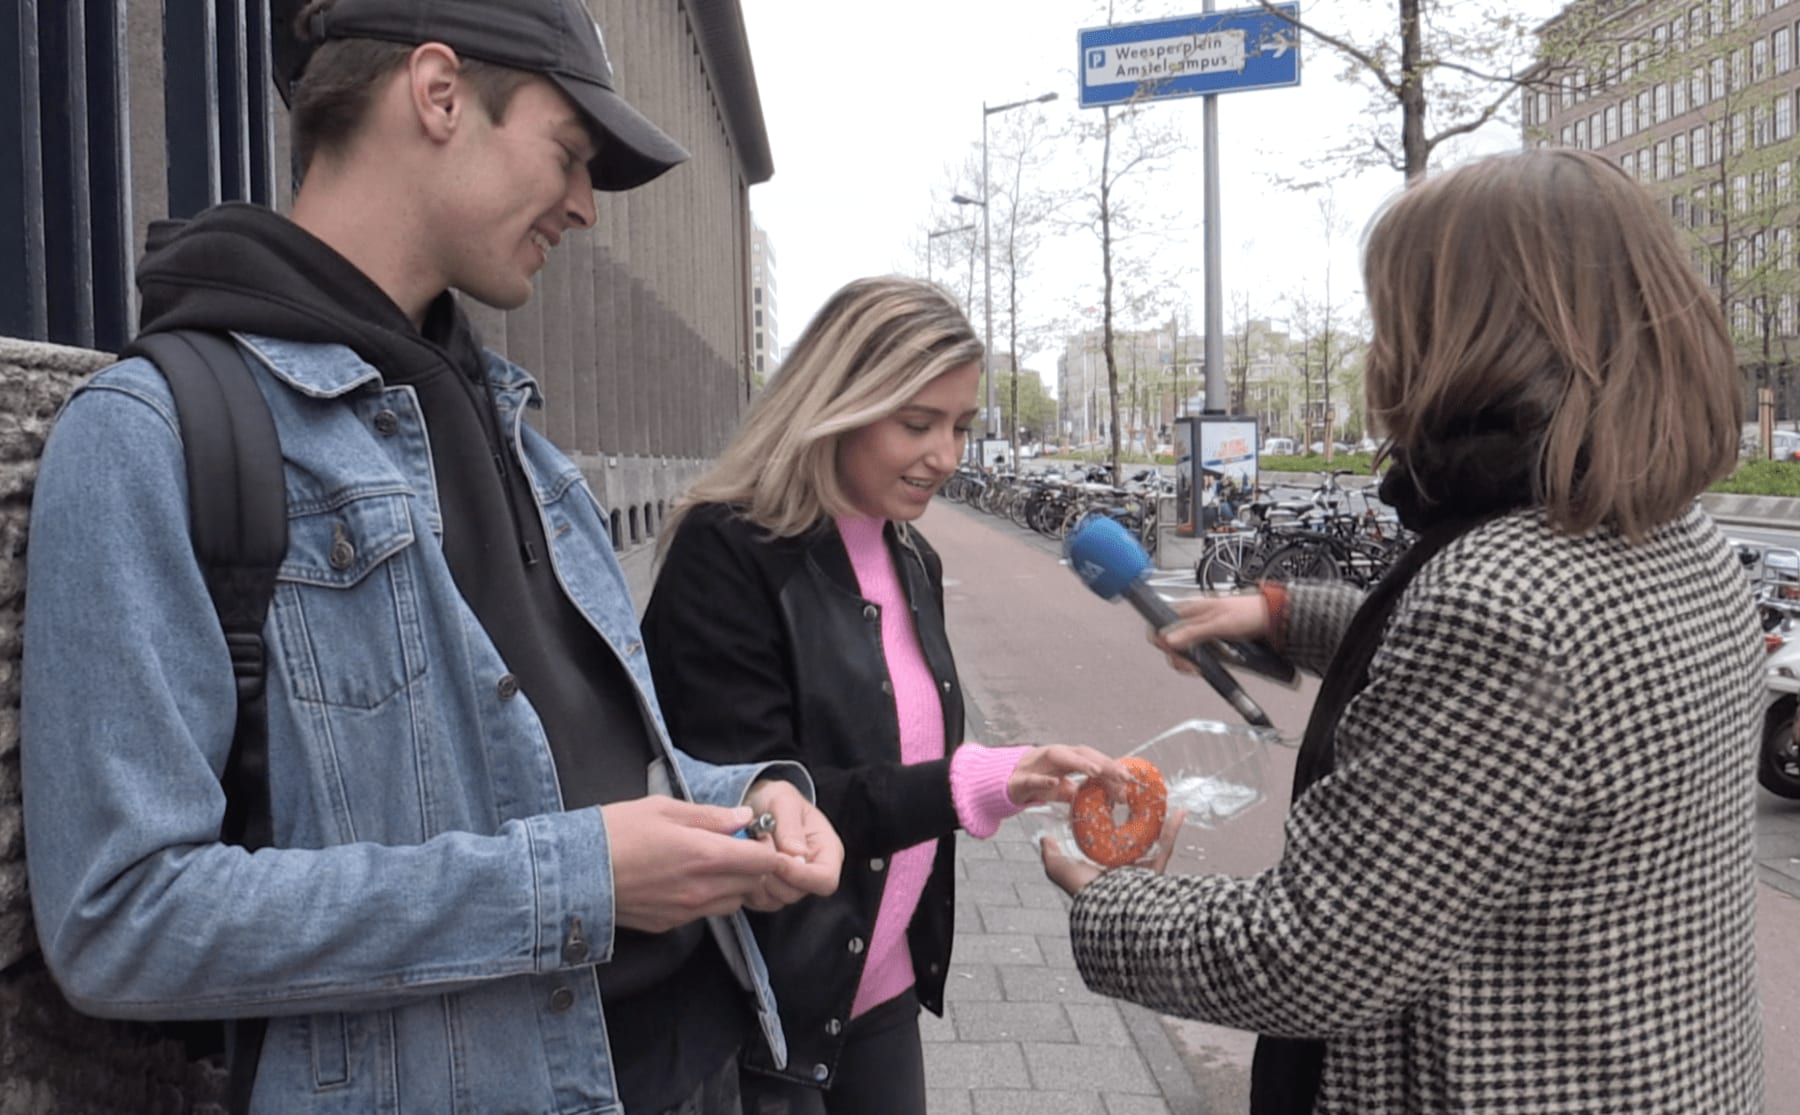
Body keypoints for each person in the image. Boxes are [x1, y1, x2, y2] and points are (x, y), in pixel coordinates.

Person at [20, 3, 843, 1113]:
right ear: (440, 92)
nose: (587, 207)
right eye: (569, 152)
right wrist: (580, 880)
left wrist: (747, 800)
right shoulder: (152, 434)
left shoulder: (520, 442)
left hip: (692, 1060)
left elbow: (571, 774)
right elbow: (122, 919)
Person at [1041, 149, 1765, 1114]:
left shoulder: (1505, 599)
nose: (1382, 347)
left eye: (1395, 315)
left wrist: (1106, 901)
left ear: (1462, 335)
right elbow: (1547, 714)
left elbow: (1314, 955)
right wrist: (1285, 613)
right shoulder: (1677, 535)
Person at [639, 276, 1130, 1115]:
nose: (946, 454)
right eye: (917, 423)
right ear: (839, 402)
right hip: (762, 1023)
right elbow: (754, 803)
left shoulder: (912, 558)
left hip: (882, 989)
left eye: (961, 426)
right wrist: (977, 780)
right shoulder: (728, 554)